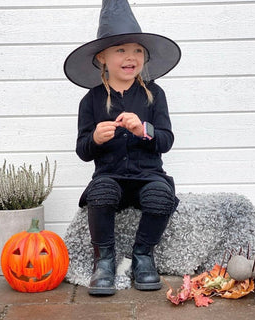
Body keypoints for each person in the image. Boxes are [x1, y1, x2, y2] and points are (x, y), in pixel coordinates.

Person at [63, 0, 181, 296]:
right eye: (121, 50)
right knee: (101, 191)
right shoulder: (90, 100)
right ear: (102, 57)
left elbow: (166, 139)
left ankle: (143, 256)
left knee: (160, 195)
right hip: (110, 176)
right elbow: (82, 149)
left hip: (147, 175)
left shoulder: (155, 94)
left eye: (137, 51)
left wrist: (145, 130)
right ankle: (103, 261)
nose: (131, 57)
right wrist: (95, 139)